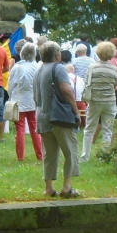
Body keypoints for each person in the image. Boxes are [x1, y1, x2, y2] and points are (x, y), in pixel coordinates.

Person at [34, 40, 81, 198]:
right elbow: (66, 90)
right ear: (57, 55)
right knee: (70, 151)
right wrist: (75, 111)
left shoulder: (39, 70)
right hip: (58, 117)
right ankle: (67, 187)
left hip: (42, 116)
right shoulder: (58, 68)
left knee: (50, 154)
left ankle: (49, 188)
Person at [79, 41, 117, 163]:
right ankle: (104, 157)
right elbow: (115, 84)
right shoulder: (113, 68)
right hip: (110, 101)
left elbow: (87, 83)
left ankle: (85, 156)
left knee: (89, 129)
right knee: (108, 129)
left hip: (94, 101)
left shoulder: (92, 67)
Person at [7, 42, 43, 162]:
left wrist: (10, 98)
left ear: (22, 53)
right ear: (34, 54)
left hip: (19, 101)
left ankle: (20, 157)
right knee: (35, 128)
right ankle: (40, 155)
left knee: (20, 130)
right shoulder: (37, 67)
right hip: (33, 101)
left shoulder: (16, 67)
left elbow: (10, 86)